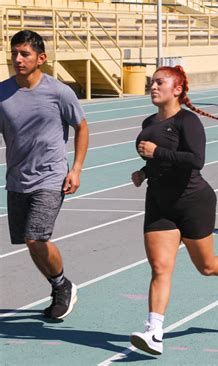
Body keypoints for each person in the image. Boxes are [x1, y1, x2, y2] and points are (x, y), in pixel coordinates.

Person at [130, 65, 218, 356]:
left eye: (159, 82)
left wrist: (156, 154)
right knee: (160, 268)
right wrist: (144, 172)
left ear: (177, 90)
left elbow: (195, 160)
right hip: (159, 204)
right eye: (152, 82)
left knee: (207, 266)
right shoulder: (148, 122)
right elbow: (158, 161)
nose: (153, 86)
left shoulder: (188, 122)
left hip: (193, 202)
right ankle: (154, 332)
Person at [0, 30, 89, 319]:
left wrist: (75, 169)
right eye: (14, 53)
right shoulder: (2, 92)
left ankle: (62, 286)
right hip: (17, 177)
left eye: (24, 54)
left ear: (41, 58)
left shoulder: (58, 91)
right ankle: (60, 284)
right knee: (30, 244)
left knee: (35, 238)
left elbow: (82, 127)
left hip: (51, 175)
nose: (17, 58)